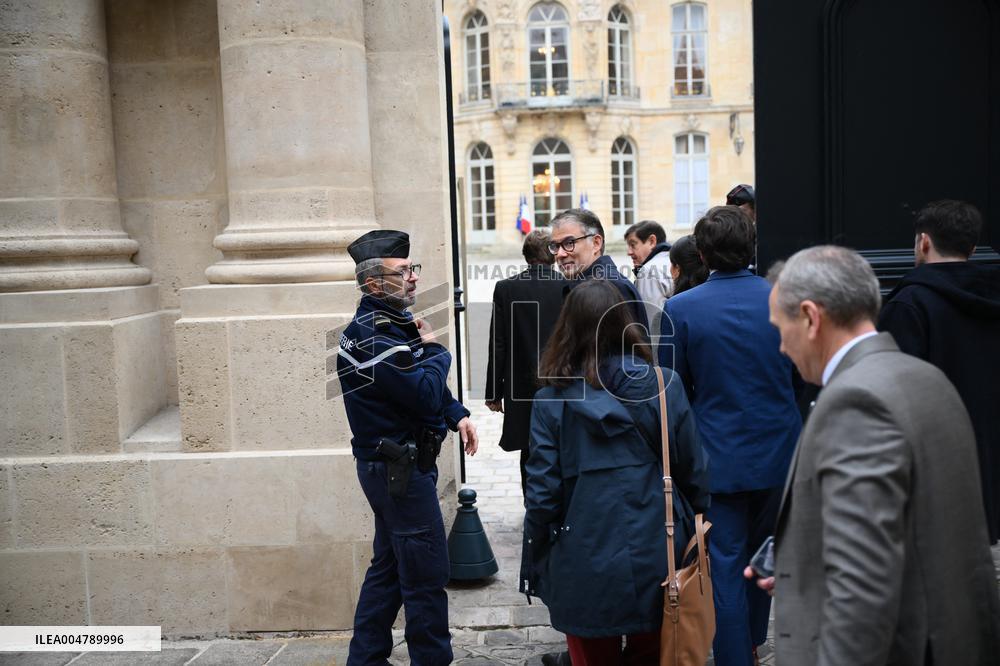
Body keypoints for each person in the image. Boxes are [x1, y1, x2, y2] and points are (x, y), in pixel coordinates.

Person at [755, 245, 1000, 665]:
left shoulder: (856, 400)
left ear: (811, 318)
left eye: (780, 327)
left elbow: (862, 588)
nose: (781, 347)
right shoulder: (925, 376)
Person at [521, 280, 710, 665]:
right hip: (659, 547)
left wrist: (538, 555)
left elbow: (542, 496)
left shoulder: (550, 400)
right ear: (625, 323)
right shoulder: (664, 385)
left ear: (567, 328)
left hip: (582, 554)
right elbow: (693, 471)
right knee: (653, 654)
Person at [657, 206, 800, 666]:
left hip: (716, 457)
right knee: (762, 557)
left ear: (701, 254)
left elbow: (672, 391)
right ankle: (754, 639)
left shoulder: (680, 308)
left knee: (724, 566)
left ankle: (738, 654)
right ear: (752, 248)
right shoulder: (784, 299)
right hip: (779, 450)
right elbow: (803, 375)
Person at [336, 229, 479, 665]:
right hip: (399, 473)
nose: (413, 276)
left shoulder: (392, 324)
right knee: (425, 576)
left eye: (412, 268)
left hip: (395, 469)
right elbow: (421, 391)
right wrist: (438, 350)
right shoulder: (374, 335)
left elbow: (420, 388)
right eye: (402, 271)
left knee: (389, 570)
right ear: (373, 283)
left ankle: (365, 659)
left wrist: (456, 413)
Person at [878, 199, 1000, 543]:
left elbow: (893, 395)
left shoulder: (909, 305)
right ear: (972, 248)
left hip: (932, 465)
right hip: (986, 457)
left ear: (924, 242)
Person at [484, 230, 566, 492]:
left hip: (522, 385)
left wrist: (493, 392)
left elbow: (498, 343)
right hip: (562, 383)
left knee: (530, 451)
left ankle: (533, 504)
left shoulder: (506, 288)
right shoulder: (568, 286)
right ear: (553, 255)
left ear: (526, 256)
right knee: (562, 445)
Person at [549, 208, 649, 331]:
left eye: (569, 243)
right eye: (555, 246)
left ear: (596, 243)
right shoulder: (584, 284)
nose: (560, 254)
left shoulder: (612, 288)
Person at [625, 219, 673, 332]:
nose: (629, 252)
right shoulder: (673, 261)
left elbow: (651, 324)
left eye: (633, 245)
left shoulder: (649, 271)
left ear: (652, 241)